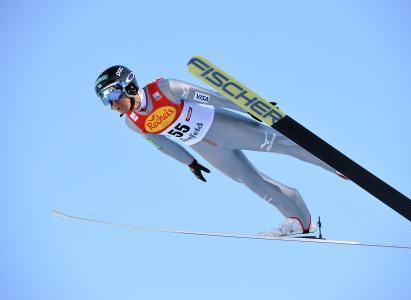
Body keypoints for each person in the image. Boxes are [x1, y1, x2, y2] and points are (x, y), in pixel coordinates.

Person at [94, 65, 348, 236]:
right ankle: (300, 222)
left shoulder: (164, 89)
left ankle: (334, 164)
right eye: (105, 100)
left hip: (223, 126)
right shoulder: (132, 122)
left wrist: (248, 106)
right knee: (254, 183)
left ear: (128, 85)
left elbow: (210, 96)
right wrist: (189, 162)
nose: (112, 104)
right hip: (208, 148)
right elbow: (162, 143)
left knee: (283, 145)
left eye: (112, 94)